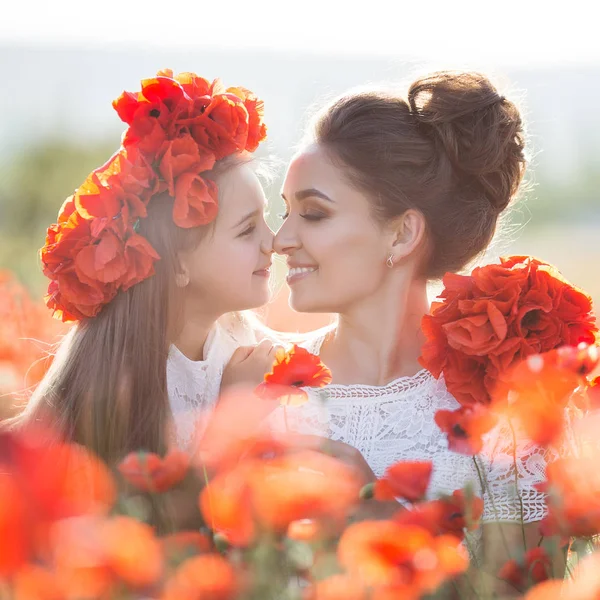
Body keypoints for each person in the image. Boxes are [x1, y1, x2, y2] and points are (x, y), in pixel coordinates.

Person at [271, 71, 563, 591]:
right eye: (284, 212)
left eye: (313, 214)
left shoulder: (500, 417)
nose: (279, 239)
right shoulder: (261, 388)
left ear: (403, 233)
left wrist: (372, 512)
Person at [7, 70, 278, 464]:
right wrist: (232, 412)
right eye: (247, 230)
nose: (273, 243)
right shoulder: (119, 386)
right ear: (179, 263)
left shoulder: (247, 344)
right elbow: (153, 517)